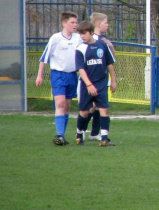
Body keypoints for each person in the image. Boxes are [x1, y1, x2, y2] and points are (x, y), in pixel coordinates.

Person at [36, 11, 82, 146]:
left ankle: (62, 135)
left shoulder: (77, 38)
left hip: (72, 75)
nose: (75, 25)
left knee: (67, 105)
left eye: (76, 22)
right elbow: (44, 58)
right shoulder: (55, 38)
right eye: (72, 22)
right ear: (64, 23)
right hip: (58, 75)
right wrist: (40, 75)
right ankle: (59, 134)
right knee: (60, 103)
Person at [74, 21, 118, 146]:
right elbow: (80, 69)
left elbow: (109, 64)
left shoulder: (102, 46)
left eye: (84, 33)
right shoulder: (80, 49)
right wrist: (88, 84)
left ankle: (104, 138)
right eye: (80, 34)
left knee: (104, 110)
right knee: (84, 112)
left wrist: (113, 80)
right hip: (87, 85)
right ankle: (79, 135)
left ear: (92, 32)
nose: (82, 36)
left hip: (101, 83)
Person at [86, 12, 117, 141]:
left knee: (98, 105)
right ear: (98, 24)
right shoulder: (90, 39)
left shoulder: (103, 40)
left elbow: (112, 59)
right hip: (91, 79)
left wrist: (110, 46)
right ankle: (82, 129)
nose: (108, 25)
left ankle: (94, 133)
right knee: (92, 106)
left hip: (102, 79)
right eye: (106, 23)